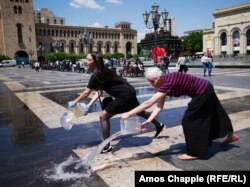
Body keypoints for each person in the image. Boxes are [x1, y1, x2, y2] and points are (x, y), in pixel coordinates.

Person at [121, 67, 239, 161]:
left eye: (153, 81)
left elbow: (148, 103)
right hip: (206, 87)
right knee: (216, 111)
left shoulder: (169, 80)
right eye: (150, 82)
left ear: (161, 77)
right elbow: (158, 107)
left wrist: (129, 113)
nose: (152, 85)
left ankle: (195, 152)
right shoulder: (163, 84)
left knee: (189, 121)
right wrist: (148, 121)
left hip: (202, 91)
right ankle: (231, 135)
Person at [68, 53, 164, 154]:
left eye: (88, 60)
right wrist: (89, 105)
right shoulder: (103, 71)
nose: (86, 62)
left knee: (103, 116)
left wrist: (74, 102)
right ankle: (159, 125)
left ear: (95, 62)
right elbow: (99, 92)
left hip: (124, 95)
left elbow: (86, 93)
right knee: (139, 112)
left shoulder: (96, 74)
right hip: (129, 91)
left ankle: (107, 146)